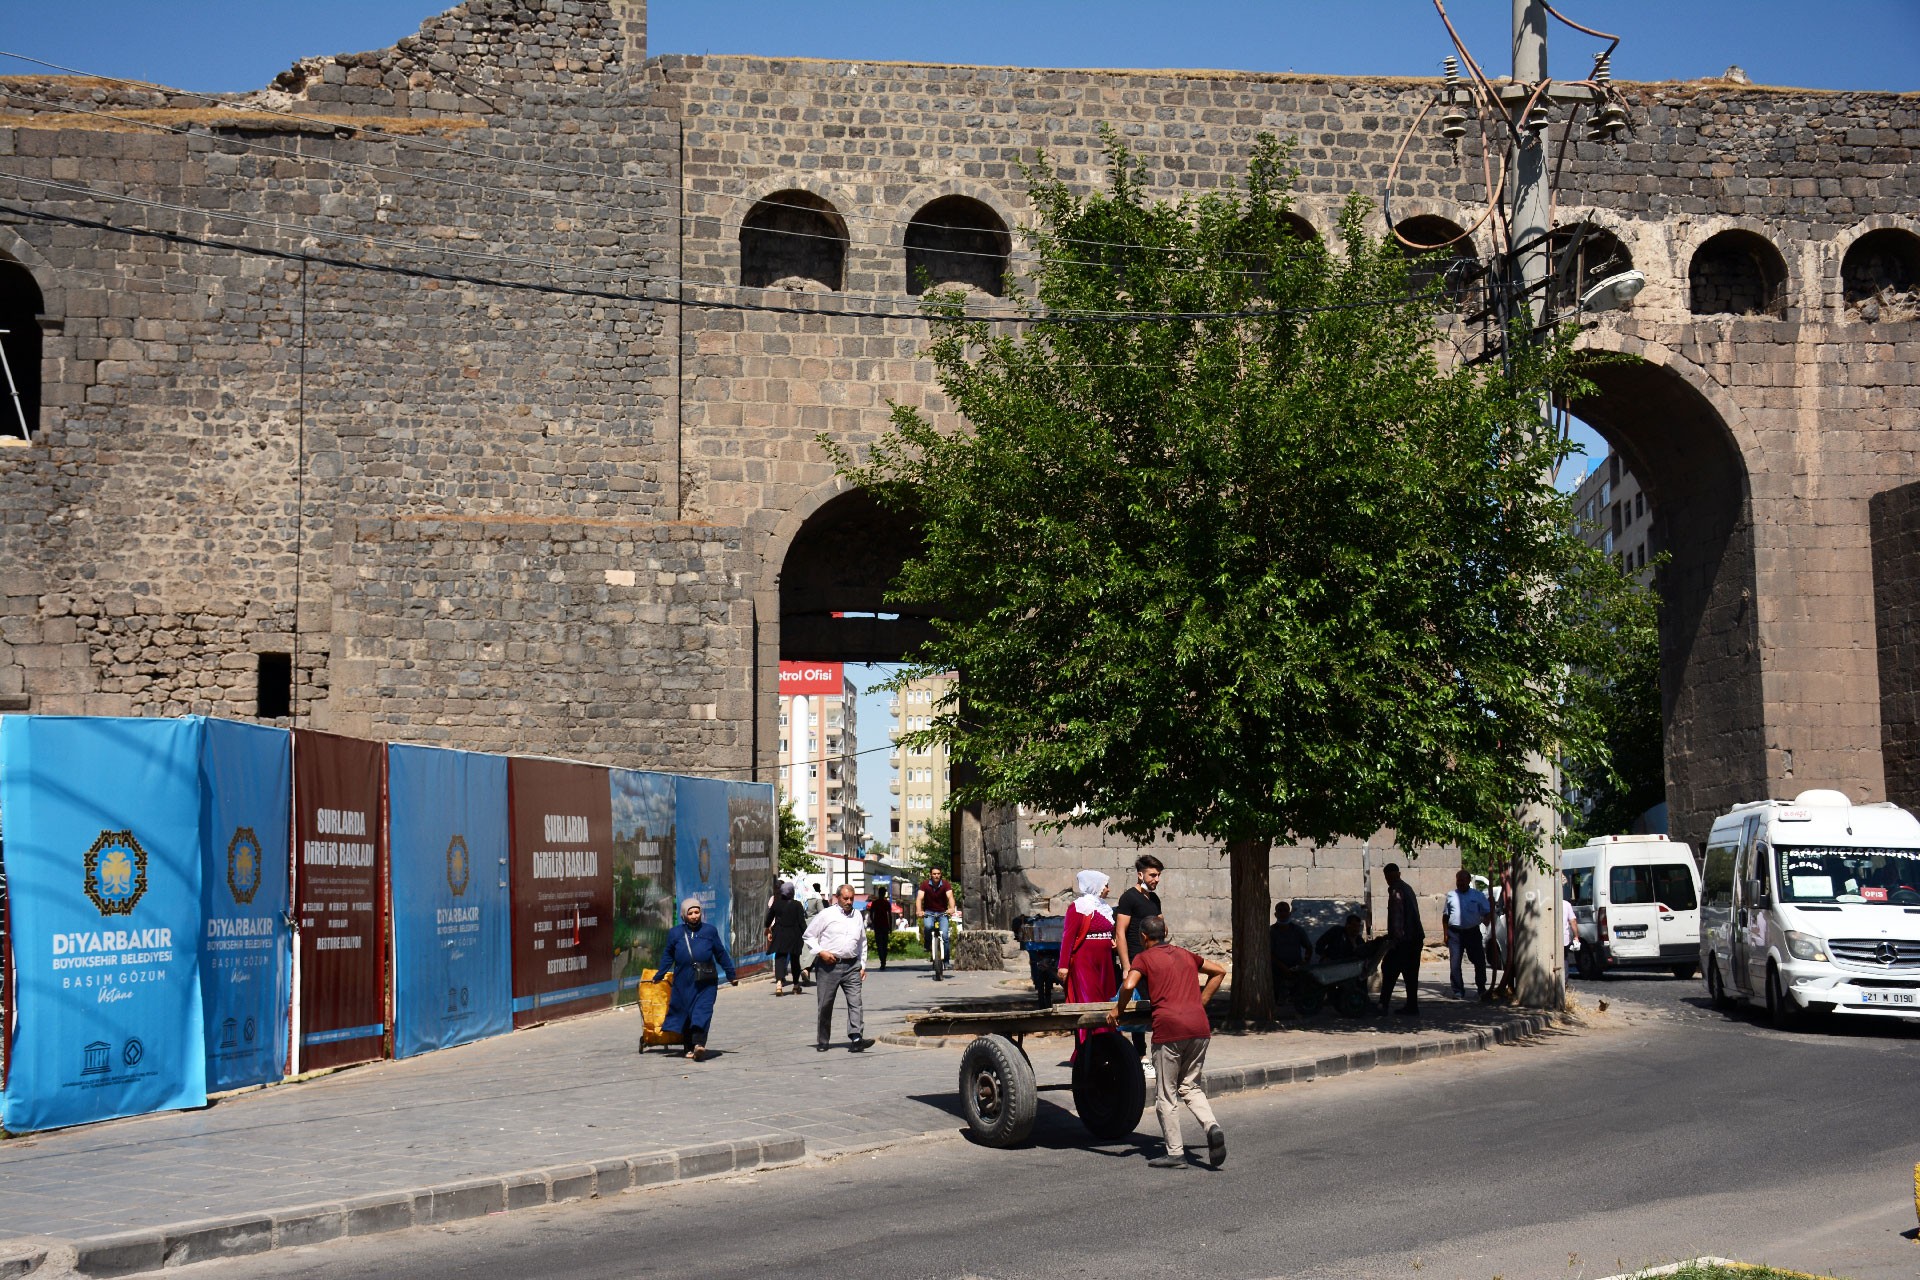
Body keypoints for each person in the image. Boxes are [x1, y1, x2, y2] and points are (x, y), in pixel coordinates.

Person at [1109, 915, 1227, 1170]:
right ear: (1167, 931)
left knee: (1166, 1093)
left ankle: (1175, 1153)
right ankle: (1212, 1126)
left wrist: (1119, 1009)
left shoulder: (1144, 958)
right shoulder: (1185, 954)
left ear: (1142, 937)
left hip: (1169, 1030)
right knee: (1191, 1086)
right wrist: (1200, 1002)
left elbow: (1129, 983)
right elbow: (1219, 971)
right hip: (1199, 1028)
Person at [652, 898, 737, 1062]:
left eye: (697, 912)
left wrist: (731, 974)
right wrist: (660, 974)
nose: (694, 916)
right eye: (690, 913)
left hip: (705, 981)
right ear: (684, 915)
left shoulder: (709, 931)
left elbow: (720, 953)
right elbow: (668, 956)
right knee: (685, 1013)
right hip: (683, 982)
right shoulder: (675, 933)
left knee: (703, 1010)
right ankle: (688, 1047)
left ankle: (699, 1044)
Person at [804, 884, 875, 1052]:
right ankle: (823, 1040)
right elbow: (809, 935)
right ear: (837, 898)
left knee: (855, 1002)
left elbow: (862, 942)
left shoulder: (857, 915)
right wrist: (821, 952)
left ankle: (856, 1037)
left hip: (852, 966)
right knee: (825, 1004)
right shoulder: (826, 914)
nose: (849, 902)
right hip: (829, 966)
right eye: (846, 898)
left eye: (851, 898)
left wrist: (862, 964)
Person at [1056, 869, 1119, 1057]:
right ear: (1095, 886)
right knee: (1090, 1001)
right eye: (1105, 885)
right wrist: (1063, 965)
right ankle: (1089, 1048)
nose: (1108, 889)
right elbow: (1068, 936)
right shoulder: (1079, 907)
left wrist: (1109, 940)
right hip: (1085, 962)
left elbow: (1106, 929)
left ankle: (1107, 1042)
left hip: (1104, 961)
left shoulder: (1103, 906)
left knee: (1104, 998)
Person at [1113, 853, 1164, 1075]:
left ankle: (1158, 1053)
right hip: (1136, 959)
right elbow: (1120, 932)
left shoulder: (1154, 900)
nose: (1157, 879)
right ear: (1140, 874)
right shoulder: (1128, 898)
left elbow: (1161, 926)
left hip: (1155, 960)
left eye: (1159, 875)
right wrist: (1126, 965)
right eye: (1153, 875)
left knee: (1155, 1005)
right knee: (1137, 1006)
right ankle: (1140, 1056)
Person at [1379, 862, 1425, 1015]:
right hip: (1416, 937)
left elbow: (1398, 918)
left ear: (1388, 877)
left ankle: (1383, 1004)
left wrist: (1395, 941)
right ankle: (1412, 1006)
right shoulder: (1408, 888)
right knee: (1411, 974)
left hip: (1405, 940)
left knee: (1389, 968)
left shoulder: (1396, 891)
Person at [1443, 868, 1493, 1001]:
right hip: (1455, 934)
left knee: (1479, 961)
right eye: (1458, 881)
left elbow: (1487, 911)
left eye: (1463, 881)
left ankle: (1481, 988)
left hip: (1472, 932)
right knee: (1455, 963)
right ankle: (1458, 991)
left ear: (1469, 881)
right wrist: (1445, 934)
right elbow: (1445, 917)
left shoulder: (1477, 896)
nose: (1460, 883)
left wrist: (1487, 921)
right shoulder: (1450, 896)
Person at [764, 881, 807, 996]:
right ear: (792, 892)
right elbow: (802, 923)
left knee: (779, 957)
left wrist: (767, 927)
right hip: (794, 935)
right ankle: (796, 985)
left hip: (780, 933)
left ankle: (778, 984)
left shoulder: (776, 904)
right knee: (794, 960)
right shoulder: (797, 905)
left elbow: (768, 919)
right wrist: (808, 935)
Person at [915, 866, 956, 979]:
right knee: (928, 926)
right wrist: (919, 910)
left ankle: (947, 961)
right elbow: (919, 898)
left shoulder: (946, 884)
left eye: (938, 873)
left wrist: (952, 908)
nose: (936, 875)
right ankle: (928, 944)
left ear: (941, 874)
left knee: (945, 935)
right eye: (934, 874)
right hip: (929, 912)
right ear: (930, 875)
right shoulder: (924, 885)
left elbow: (950, 897)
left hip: (942, 913)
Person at [1269, 900, 1313, 994]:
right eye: (1280, 911)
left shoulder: (1297, 930)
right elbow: (1269, 953)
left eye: (1285, 911)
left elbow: (1308, 947)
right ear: (1275, 914)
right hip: (1277, 968)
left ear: (1289, 913)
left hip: (1296, 967)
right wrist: (1283, 967)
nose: (1283, 914)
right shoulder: (1271, 931)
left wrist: (1305, 962)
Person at [867, 880, 894, 971]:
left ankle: (882, 961)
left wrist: (874, 922)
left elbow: (871, 914)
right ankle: (883, 961)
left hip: (878, 926)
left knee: (879, 945)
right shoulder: (886, 903)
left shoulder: (876, 903)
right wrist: (890, 927)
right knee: (884, 944)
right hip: (884, 926)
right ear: (884, 893)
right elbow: (889, 915)